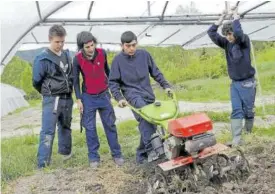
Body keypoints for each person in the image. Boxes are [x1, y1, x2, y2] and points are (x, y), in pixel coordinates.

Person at [109, 31, 172, 164]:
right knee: (146, 119)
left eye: (133, 45)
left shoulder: (144, 55)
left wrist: (166, 85)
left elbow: (155, 72)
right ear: (122, 46)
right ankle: (152, 152)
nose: (131, 48)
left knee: (149, 122)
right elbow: (113, 82)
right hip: (132, 96)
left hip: (148, 94)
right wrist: (119, 98)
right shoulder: (118, 61)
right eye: (128, 46)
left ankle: (141, 154)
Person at [73, 31, 123, 168]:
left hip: (104, 94)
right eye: (87, 47)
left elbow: (108, 71)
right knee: (90, 128)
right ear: (81, 47)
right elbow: (75, 81)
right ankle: (93, 157)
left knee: (110, 125)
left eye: (92, 45)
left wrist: (113, 89)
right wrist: (78, 99)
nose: (91, 49)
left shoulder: (102, 53)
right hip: (88, 97)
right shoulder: (77, 59)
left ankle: (117, 154)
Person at [207, 6, 256, 146]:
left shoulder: (243, 41)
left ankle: (249, 137)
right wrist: (221, 17)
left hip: (247, 83)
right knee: (236, 110)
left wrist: (235, 15)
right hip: (235, 84)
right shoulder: (226, 44)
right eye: (226, 34)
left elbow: (239, 33)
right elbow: (211, 33)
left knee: (248, 111)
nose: (229, 37)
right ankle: (237, 139)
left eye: (230, 33)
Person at [32, 25, 74, 169]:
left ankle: (65, 153)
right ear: (50, 39)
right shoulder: (42, 58)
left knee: (65, 126)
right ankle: (42, 163)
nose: (60, 45)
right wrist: (48, 92)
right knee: (48, 130)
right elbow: (36, 81)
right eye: (57, 42)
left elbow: (70, 74)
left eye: (62, 41)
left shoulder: (66, 55)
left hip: (67, 97)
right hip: (52, 99)